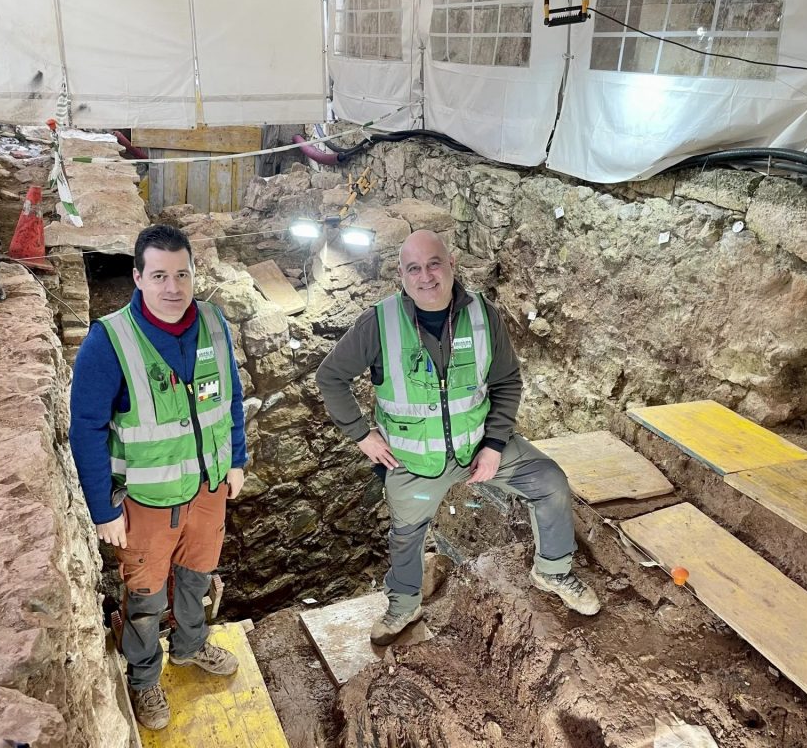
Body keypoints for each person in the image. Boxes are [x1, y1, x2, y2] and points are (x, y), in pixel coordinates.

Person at [316, 229, 600, 646]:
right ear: (401, 275)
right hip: (415, 462)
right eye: (414, 268)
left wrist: (495, 445)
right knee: (407, 534)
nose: (426, 276)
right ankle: (404, 605)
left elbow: (507, 382)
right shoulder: (379, 323)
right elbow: (330, 377)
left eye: (434, 264)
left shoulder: (484, 315)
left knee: (550, 481)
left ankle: (553, 571)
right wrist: (362, 436)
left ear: (451, 265)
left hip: (478, 444)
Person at [69, 224, 248, 730]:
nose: (174, 287)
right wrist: (103, 509)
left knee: (196, 578)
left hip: (209, 489)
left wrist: (237, 459)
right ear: (138, 277)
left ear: (194, 274)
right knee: (145, 599)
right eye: (160, 275)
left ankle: (191, 647)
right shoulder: (110, 341)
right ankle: (145, 679)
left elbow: (230, 398)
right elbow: (85, 430)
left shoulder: (213, 322)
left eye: (183, 274)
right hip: (146, 502)